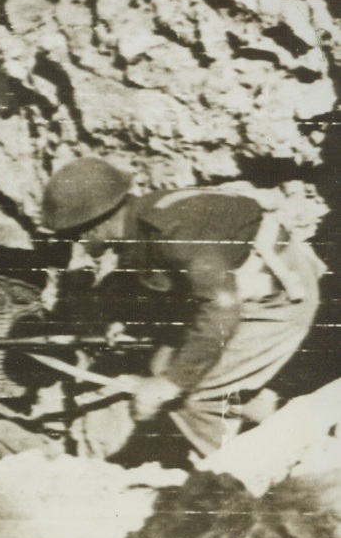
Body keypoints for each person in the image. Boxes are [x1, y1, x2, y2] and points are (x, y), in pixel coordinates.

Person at [41, 157, 324, 456]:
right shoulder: (142, 222)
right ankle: (297, 435)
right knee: (165, 366)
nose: (79, 243)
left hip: (278, 301)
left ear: (92, 228)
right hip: (242, 295)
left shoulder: (173, 233)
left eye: (74, 234)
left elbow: (221, 308)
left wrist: (171, 384)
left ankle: (228, 483)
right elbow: (177, 285)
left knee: (195, 396)